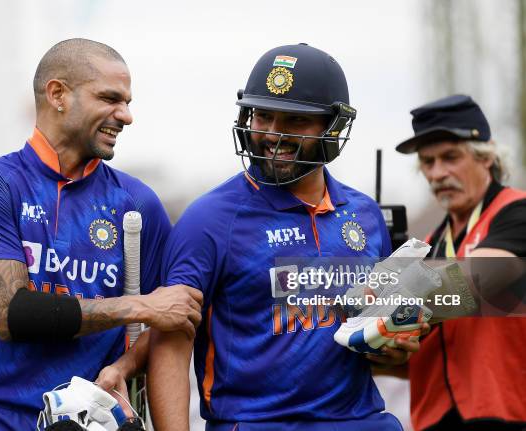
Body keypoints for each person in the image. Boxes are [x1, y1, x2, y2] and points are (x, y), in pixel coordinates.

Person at [148, 43, 423, 431]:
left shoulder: (366, 215)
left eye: (295, 120)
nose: (273, 134)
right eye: (263, 115)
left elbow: (380, 338)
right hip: (258, 423)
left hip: (361, 421)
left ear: (334, 126)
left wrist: (393, 348)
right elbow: (170, 347)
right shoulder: (208, 220)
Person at [0, 38, 203, 430]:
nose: (126, 115)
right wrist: (135, 306)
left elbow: (172, 315)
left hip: (94, 420)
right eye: (110, 98)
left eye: (128, 103)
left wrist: (124, 365)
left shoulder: (137, 203)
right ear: (58, 94)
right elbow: (10, 314)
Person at [395, 94, 526, 430]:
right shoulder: (426, 246)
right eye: (427, 162)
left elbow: (475, 280)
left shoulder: (516, 212)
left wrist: (381, 292)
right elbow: (403, 352)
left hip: (508, 414)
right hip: (436, 419)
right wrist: (381, 346)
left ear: (485, 157)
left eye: (450, 157)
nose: (437, 173)